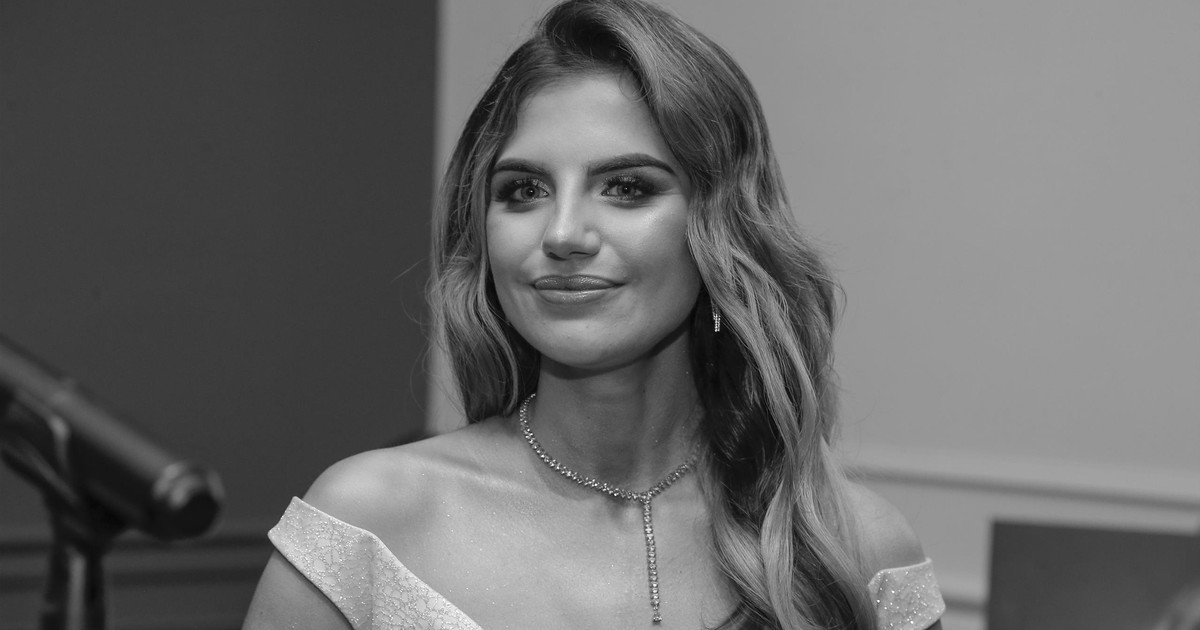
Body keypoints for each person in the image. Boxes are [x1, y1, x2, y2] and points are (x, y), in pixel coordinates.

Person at [244, 0, 945, 628]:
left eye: (626, 187)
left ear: (722, 226)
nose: (562, 233)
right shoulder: (370, 524)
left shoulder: (856, 551)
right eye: (524, 190)